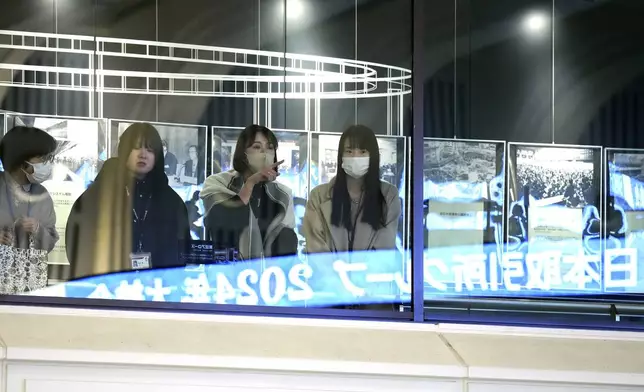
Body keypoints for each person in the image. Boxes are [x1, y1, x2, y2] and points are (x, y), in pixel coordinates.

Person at [65, 123, 190, 280]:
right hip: (106, 289)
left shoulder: (171, 202)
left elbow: (180, 250)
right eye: (136, 148)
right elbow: (77, 243)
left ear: (157, 156)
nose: (143, 154)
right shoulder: (98, 195)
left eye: (150, 150)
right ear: (124, 151)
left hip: (156, 290)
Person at [201, 124, 297, 260]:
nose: (265, 153)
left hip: (268, 275)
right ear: (243, 152)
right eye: (257, 147)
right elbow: (220, 222)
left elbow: (287, 240)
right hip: (226, 274)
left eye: (270, 148)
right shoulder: (217, 182)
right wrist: (250, 184)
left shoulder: (282, 194)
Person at [303, 125, 400, 253]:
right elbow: (315, 248)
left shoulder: (388, 195)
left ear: (373, 156)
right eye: (349, 151)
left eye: (363, 151)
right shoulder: (318, 196)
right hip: (329, 272)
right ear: (341, 156)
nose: (355, 157)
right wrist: (337, 272)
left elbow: (384, 252)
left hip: (371, 273)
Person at [0, 126, 58, 252]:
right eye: (43, 159)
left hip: (27, 270)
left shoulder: (42, 195)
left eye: (49, 158)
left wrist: (38, 229)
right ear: (22, 161)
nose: (48, 164)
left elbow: (50, 244)